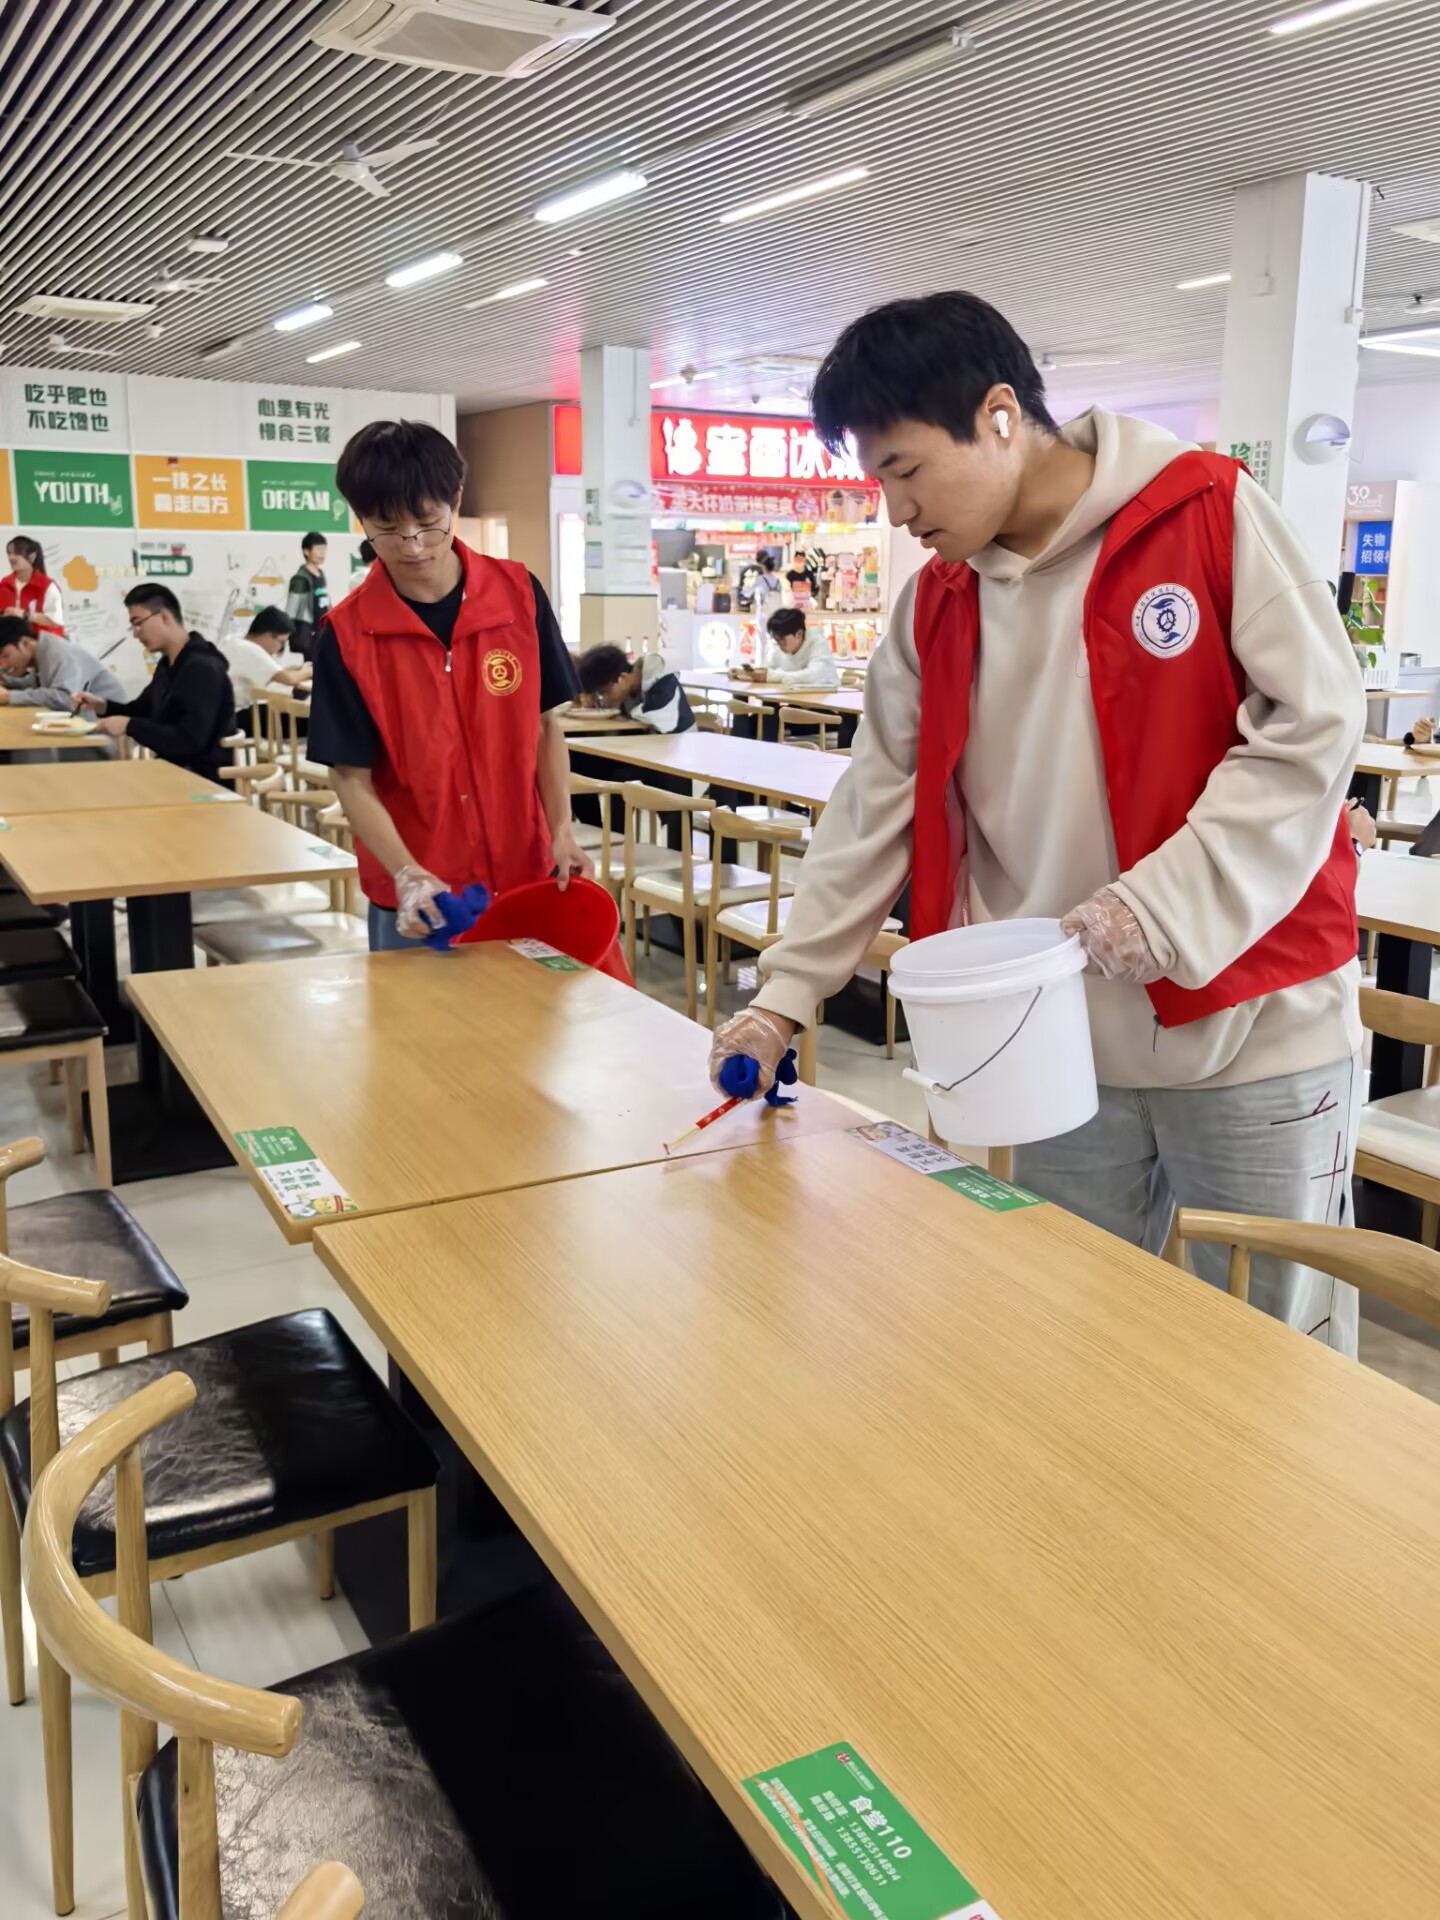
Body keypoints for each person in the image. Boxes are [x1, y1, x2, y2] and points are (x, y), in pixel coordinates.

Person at [711, 290, 1366, 1354]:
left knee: (1273, 1363)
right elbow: (873, 805)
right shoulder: (937, 606)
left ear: (1000, 414)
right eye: (878, 481)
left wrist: (1160, 907)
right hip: (1050, 1047)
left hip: (1257, 1032)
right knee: (1061, 1342)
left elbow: (1316, 726)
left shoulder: (1204, 513)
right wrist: (783, 998)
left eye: (907, 471)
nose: (896, 511)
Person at [307, 419, 591, 951]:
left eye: (428, 523)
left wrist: (561, 830)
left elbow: (545, 726)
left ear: (455, 499)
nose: (413, 546)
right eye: (387, 528)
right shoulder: (346, 635)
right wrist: (406, 873)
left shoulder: (519, 596)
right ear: (359, 518)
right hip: (422, 902)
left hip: (525, 877)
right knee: (418, 1010)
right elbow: (349, 777)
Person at [73, 582, 235, 782]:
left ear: (164, 617)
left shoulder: (202, 669)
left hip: (202, 781)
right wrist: (103, 705)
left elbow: (189, 741)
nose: (136, 633)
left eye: (138, 623)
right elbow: (143, 710)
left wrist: (130, 726)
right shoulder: (169, 664)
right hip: (173, 771)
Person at [0, 614, 124, 709]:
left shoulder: (56, 652)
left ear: (25, 643)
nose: (3, 664)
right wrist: (7, 681)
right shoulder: (41, 652)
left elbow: (65, 698)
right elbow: (39, 685)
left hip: (107, 723)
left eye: (5, 655)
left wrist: (9, 696)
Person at [577, 644, 697, 734]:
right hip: (646, 748)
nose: (603, 699)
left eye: (603, 693)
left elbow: (656, 718)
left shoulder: (660, 676)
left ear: (622, 678)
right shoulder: (626, 691)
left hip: (679, 748)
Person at [225, 606, 310, 720]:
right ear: (268, 635)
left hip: (226, 712)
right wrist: (310, 670)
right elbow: (290, 679)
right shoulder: (251, 650)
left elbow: (274, 675)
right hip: (235, 716)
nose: (279, 649)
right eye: (281, 643)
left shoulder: (235, 640)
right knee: (305, 718)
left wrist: (297, 670)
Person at [739, 608, 840, 691]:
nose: (779, 644)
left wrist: (771, 676)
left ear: (799, 634)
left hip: (826, 700)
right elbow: (770, 671)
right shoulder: (777, 647)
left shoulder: (817, 642)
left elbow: (814, 676)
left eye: (782, 640)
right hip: (796, 698)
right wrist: (747, 674)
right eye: (776, 640)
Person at [1, 537, 64, 634]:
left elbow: (56, 620)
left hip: (41, 641)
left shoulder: (48, 587)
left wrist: (25, 615)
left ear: (32, 557)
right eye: (9, 553)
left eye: (17, 553)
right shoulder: (4, 584)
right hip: (10, 642)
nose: (11, 557)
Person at [285, 532, 331, 659]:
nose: (322, 553)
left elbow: (325, 601)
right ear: (306, 551)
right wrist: (285, 633)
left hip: (322, 630)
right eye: (318, 549)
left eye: (324, 549)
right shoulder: (300, 578)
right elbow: (291, 609)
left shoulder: (320, 573)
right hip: (309, 632)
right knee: (312, 664)